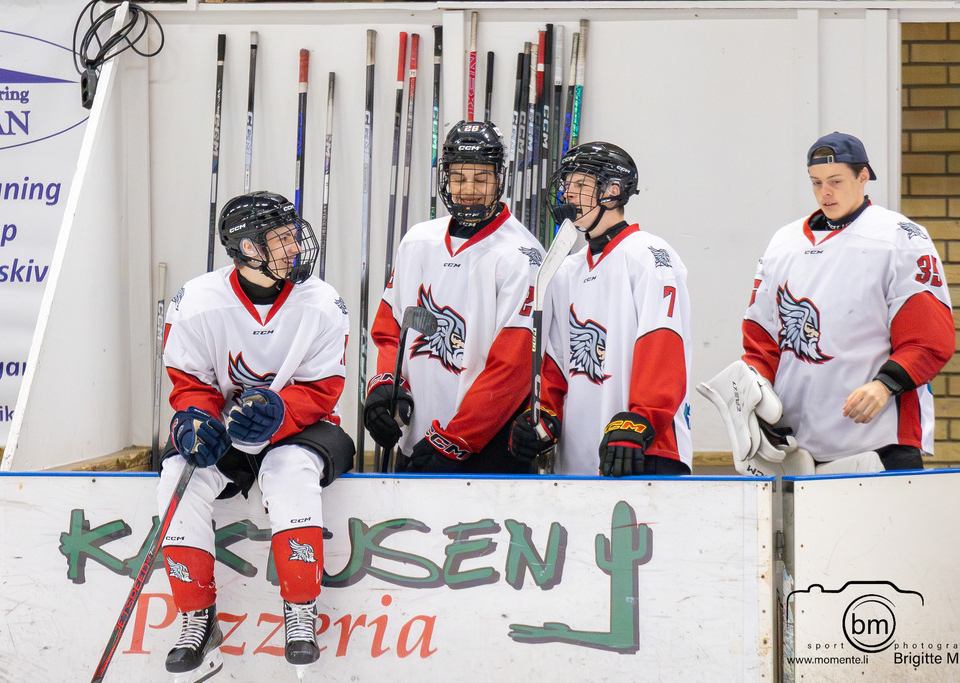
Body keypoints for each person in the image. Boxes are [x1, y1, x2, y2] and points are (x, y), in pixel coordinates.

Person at [156, 191, 354, 680]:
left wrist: (281, 411)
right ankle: (196, 617)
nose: (293, 247)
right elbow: (190, 382)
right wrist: (195, 418)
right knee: (177, 475)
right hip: (228, 428)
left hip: (302, 430)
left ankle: (300, 611)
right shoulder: (198, 301)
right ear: (247, 248)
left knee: (289, 472)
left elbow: (326, 387)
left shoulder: (322, 302)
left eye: (292, 234)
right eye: (279, 239)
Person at [701, 132, 954, 475]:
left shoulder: (900, 238)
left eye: (836, 181)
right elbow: (761, 340)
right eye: (816, 183)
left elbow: (929, 338)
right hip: (796, 449)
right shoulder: (783, 242)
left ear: (863, 176)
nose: (826, 192)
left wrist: (885, 385)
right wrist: (753, 396)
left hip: (879, 441)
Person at [364, 120, 543, 474]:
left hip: (487, 444)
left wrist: (457, 438)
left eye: (481, 178)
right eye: (459, 177)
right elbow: (391, 331)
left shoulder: (521, 255)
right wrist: (385, 388)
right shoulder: (417, 241)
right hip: (416, 437)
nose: (468, 190)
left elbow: (512, 368)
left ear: (499, 179)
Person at [510, 141, 694, 477]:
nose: (568, 194)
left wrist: (642, 417)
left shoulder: (649, 256)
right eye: (568, 185)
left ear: (612, 192)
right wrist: (545, 415)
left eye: (580, 185)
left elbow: (664, 346)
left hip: (644, 450)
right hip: (578, 460)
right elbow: (556, 362)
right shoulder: (564, 270)